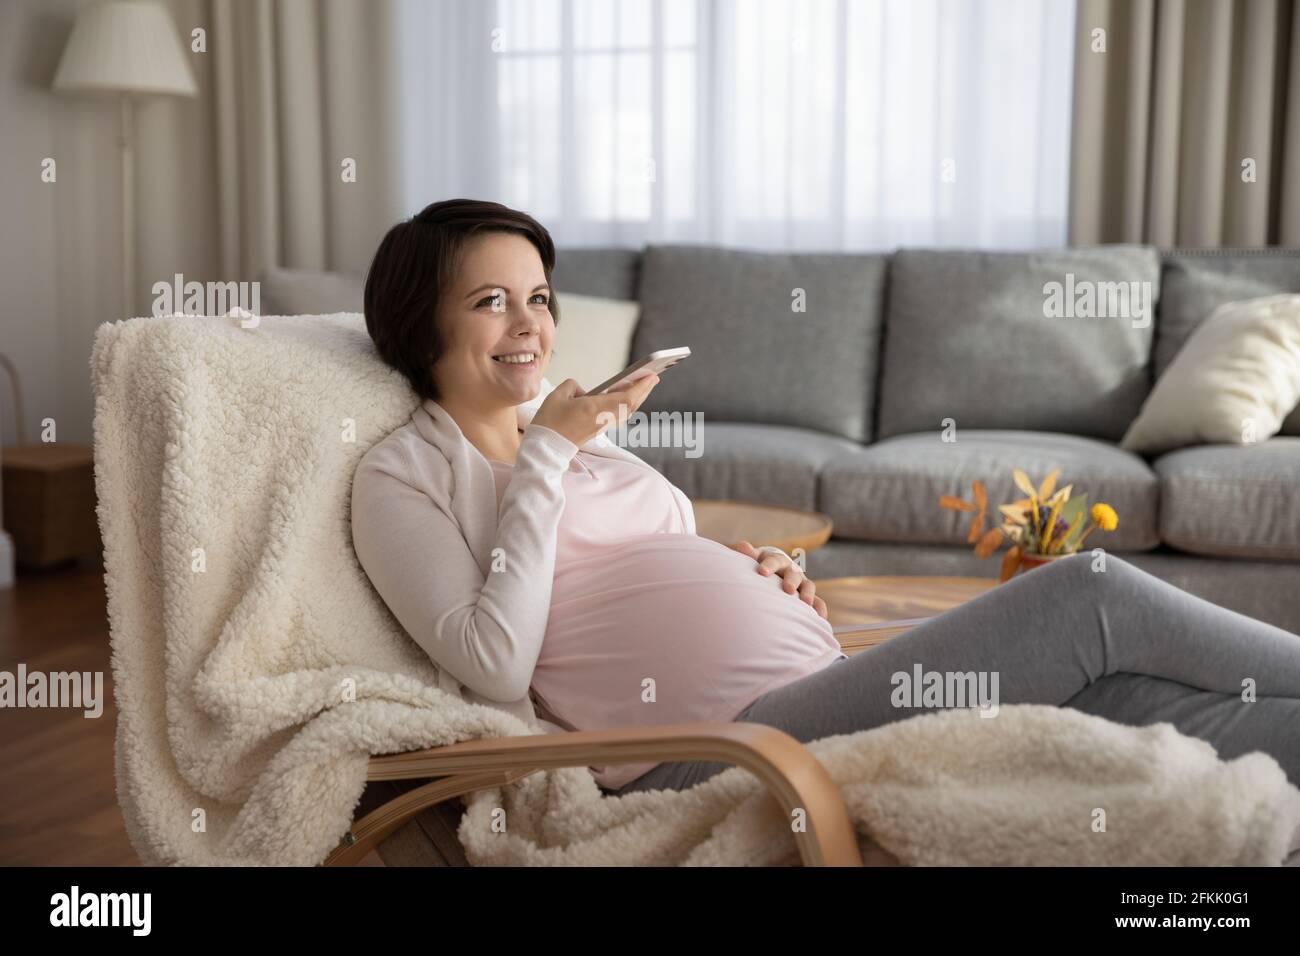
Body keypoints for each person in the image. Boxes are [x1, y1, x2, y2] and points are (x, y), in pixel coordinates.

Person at [350, 198, 1300, 796]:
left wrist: (761, 574)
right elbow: (494, 663)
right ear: (417, 320)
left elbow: (647, 570)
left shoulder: (585, 448)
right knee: (1088, 592)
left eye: (542, 296)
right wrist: (549, 455)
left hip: (810, 687)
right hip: (721, 750)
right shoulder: (406, 477)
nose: (533, 325)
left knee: (1126, 697)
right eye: (493, 301)